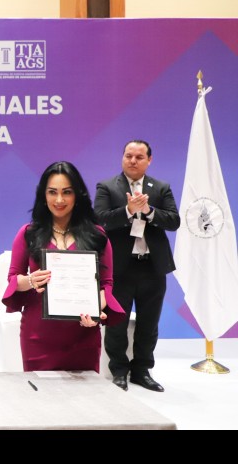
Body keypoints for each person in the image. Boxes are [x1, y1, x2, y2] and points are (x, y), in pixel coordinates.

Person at [2, 161, 125, 372]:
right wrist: (31, 280)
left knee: (85, 393)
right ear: (44, 195)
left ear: (77, 195)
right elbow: (14, 279)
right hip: (37, 335)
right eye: (52, 192)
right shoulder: (28, 233)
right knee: (39, 392)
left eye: (67, 192)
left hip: (83, 334)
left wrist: (95, 311)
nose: (59, 200)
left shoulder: (97, 235)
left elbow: (106, 285)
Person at [94, 140, 180, 392]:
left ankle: (142, 371)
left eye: (139, 157)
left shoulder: (161, 188)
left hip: (152, 267)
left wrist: (149, 211)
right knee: (116, 323)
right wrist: (128, 211)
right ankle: (119, 371)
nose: (133, 160)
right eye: (128, 155)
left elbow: (174, 221)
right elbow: (99, 220)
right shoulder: (107, 187)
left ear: (149, 160)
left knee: (149, 323)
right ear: (122, 157)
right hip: (119, 268)